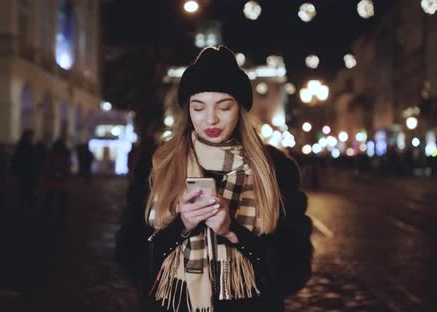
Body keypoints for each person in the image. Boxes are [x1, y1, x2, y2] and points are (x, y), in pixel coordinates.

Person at [117, 46, 312, 312]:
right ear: (188, 111)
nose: (211, 118)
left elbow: (293, 271)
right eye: (199, 108)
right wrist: (180, 225)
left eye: (224, 107)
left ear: (240, 110)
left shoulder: (275, 168)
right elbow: (132, 261)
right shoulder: (157, 164)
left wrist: (234, 232)